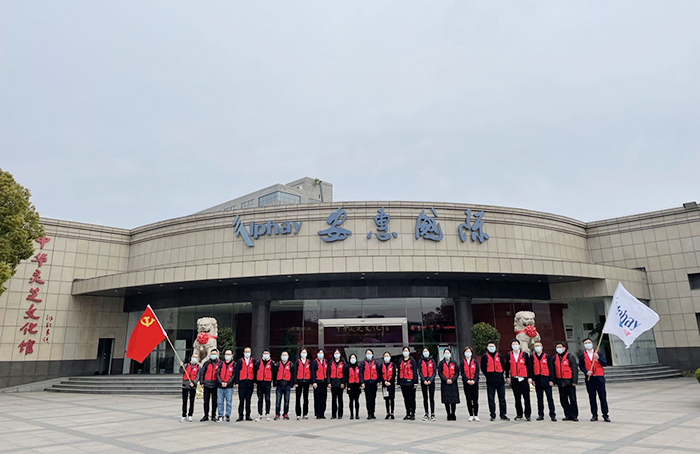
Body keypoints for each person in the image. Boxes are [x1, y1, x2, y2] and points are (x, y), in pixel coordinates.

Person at [579, 338, 610, 422]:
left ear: (592, 344)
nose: (588, 344)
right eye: (586, 343)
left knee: (602, 397)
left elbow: (605, 363)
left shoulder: (598, 353)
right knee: (592, 398)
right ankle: (594, 415)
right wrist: (586, 372)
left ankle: (605, 415)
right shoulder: (582, 355)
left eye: (589, 342)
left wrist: (598, 358)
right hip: (590, 379)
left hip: (599, 378)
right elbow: (581, 366)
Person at [481, 341, 509, 421]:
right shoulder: (484, 356)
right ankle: (492, 415)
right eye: (490, 346)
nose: (491, 348)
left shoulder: (499, 356)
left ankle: (503, 414)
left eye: (493, 346)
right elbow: (483, 368)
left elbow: (503, 366)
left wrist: (499, 374)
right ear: (487, 347)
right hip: (490, 381)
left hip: (500, 380)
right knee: (491, 399)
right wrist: (488, 375)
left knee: (502, 398)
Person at [505, 339, 533, 421]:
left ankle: (527, 414)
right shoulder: (509, 355)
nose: (515, 346)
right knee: (517, 398)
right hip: (515, 379)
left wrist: (530, 377)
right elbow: (507, 367)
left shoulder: (524, 354)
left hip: (524, 379)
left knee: (526, 398)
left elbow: (529, 367)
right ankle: (519, 414)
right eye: (513, 344)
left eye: (516, 344)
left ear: (519, 345)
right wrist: (507, 376)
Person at [531, 341, 557, 421]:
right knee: (539, 399)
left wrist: (551, 380)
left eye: (538, 346)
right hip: (538, 380)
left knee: (550, 399)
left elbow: (551, 369)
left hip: (547, 380)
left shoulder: (547, 356)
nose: (537, 347)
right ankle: (540, 414)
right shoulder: (532, 357)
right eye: (536, 346)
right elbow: (531, 369)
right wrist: (532, 379)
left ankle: (552, 414)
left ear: (542, 347)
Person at [554, 341, 579, 422]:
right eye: (557, 347)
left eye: (560, 347)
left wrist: (574, 381)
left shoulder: (570, 357)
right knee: (563, 400)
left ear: (564, 348)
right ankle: (567, 414)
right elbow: (553, 370)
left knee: (572, 399)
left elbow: (574, 369)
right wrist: (555, 381)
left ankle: (574, 415)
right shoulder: (554, 358)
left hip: (569, 381)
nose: (559, 349)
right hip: (560, 382)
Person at [198, 348, 219, 422]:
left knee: (214, 401)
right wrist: (202, 382)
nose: (213, 355)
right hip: (206, 384)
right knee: (206, 401)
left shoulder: (219, 363)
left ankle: (213, 415)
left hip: (215, 384)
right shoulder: (206, 363)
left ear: (217, 354)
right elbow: (202, 373)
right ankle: (206, 415)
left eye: (214, 354)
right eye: (212, 354)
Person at [438, 348, 460, 421]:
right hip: (445, 383)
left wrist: (452, 380)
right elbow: (440, 373)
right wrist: (446, 380)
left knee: (453, 399)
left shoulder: (454, 363)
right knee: (446, 399)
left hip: (453, 383)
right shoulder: (441, 363)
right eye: (445, 353)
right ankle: (448, 414)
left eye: (448, 353)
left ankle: (453, 413)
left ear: (450, 354)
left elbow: (457, 373)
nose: (447, 354)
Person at [360, 348, 382, 419]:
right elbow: (361, 373)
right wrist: (362, 382)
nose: (368, 355)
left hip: (374, 382)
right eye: (367, 353)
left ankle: (373, 413)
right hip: (367, 383)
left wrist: (378, 381)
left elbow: (378, 373)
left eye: (370, 353)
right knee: (368, 398)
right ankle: (369, 413)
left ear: (372, 354)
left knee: (373, 398)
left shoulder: (375, 363)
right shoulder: (363, 363)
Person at [234, 347, 255, 421]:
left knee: (248, 400)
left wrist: (255, 381)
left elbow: (255, 371)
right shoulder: (240, 361)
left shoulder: (253, 361)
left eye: (248, 352)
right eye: (246, 352)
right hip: (242, 382)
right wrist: (236, 382)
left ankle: (248, 415)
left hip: (250, 382)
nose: (247, 353)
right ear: (243, 353)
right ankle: (240, 415)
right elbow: (237, 372)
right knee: (241, 400)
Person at [398, 346, 418, 420]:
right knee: (406, 399)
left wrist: (415, 382)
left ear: (409, 352)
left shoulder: (412, 361)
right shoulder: (400, 361)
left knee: (412, 399)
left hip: (411, 383)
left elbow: (415, 372)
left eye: (406, 351)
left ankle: (413, 413)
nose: (405, 352)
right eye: (404, 351)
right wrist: (398, 382)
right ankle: (408, 413)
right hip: (403, 383)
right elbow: (399, 371)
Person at [460, 346, 480, 421]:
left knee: (475, 399)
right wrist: (467, 380)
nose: (468, 353)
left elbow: (477, 372)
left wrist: (474, 380)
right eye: (466, 352)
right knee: (468, 399)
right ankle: (471, 414)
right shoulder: (462, 362)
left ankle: (476, 414)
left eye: (469, 352)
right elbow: (462, 373)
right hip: (466, 383)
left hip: (474, 383)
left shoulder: (475, 362)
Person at [273, 351, 294, 420]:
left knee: (286, 401)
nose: (284, 357)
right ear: (281, 356)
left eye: (285, 355)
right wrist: (275, 383)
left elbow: (292, 375)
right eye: (283, 355)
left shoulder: (291, 364)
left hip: (287, 385)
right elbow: (274, 374)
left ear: (288, 356)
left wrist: (291, 384)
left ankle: (285, 414)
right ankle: (277, 414)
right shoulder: (277, 364)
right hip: (279, 385)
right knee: (278, 401)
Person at [179, 351, 199, 422]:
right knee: (184, 401)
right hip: (185, 385)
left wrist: (194, 383)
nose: (194, 358)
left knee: (192, 401)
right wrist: (181, 366)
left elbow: (198, 376)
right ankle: (183, 415)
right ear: (191, 357)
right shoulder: (186, 365)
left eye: (196, 357)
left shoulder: (198, 367)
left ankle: (190, 415)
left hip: (192, 386)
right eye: (193, 357)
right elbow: (181, 371)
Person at [254, 349, 274, 421]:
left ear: (269, 354)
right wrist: (255, 381)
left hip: (267, 383)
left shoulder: (271, 363)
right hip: (260, 383)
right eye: (264, 353)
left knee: (267, 399)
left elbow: (274, 373)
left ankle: (267, 413)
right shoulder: (258, 362)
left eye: (267, 353)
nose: (265, 355)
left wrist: (274, 382)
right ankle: (259, 413)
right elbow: (255, 372)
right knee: (260, 399)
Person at [418, 347, 437, 421]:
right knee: (425, 398)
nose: (425, 353)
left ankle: (432, 413)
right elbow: (419, 371)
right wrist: (423, 380)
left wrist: (431, 380)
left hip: (431, 381)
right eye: (424, 351)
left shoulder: (432, 360)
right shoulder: (420, 361)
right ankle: (426, 413)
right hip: (424, 381)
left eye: (426, 351)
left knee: (431, 398)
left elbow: (434, 371)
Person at [216, 349, 235, 422]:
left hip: (229, 386)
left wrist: (228, 383)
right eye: (226, 354)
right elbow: (217, 374)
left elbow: (233, 375)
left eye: (229, 354)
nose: (227, 356)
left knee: (228, 402)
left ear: (232, 355)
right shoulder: (221, 363)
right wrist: (221, 382)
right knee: (220, 402)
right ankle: (220, 415)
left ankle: (227, 415)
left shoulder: (234, 364)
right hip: (220, 386)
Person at [311, 349, 329, 419]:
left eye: (322, 353)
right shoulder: (314, 362)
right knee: (317, 398)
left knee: (323, 398)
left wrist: (328, 382)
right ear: (317, 354)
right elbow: (313, 372)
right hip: (317, 382)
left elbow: (327, 372)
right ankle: (318, 414)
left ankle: (322, 413)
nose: (321, 354)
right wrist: (314, 382)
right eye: (319, 353)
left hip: (324, 382)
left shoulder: (326, 361)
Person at [294, 348, 311, 420]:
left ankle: (305, 414)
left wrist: (310, 381)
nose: (303, 354)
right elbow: (295, 372)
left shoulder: (309, 361)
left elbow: (310, 371)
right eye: (302, 352)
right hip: (299, 382)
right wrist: (295, 382)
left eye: (305, 352)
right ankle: (298, 414)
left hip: (306, 382)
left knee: (306, 398)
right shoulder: (297, 361)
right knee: (298, 398)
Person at [329, 349, 346, 419]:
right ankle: (333, 414)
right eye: (335, 353)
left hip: (340, 383)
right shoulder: (331, 362)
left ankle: (340, 414)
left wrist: (343, 383)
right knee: (333, 400)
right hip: (333, 383)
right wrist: (329, 382)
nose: (336, 354)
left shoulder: (343, 363)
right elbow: (328, 372)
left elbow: (345, 374)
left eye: (337, 353)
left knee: (340, 399)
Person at [346, 353, 362, 420]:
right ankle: (351, 414)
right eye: (351, 358)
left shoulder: (358, 366)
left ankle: (357, 414)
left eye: (354, 358)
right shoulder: (347, 367)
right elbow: (346, 377)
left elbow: (360, 376)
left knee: (357, 401)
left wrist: (360, 384)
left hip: (357, 385)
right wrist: (348, 386)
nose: (353, 359)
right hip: (350, 385)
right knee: (351, 400)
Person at [381, 351, 396, 420]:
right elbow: (380, 374)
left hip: (391, 384)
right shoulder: (381, 365)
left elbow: (394, 374)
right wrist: (384, 382)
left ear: (390, 357)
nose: (386, 357)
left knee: (392, 399)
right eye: (385, 356)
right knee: (386, 399)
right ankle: (387, 412)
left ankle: (392, 412)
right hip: (384, 385)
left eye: (387, 356)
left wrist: (390, 382)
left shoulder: (392, 365)